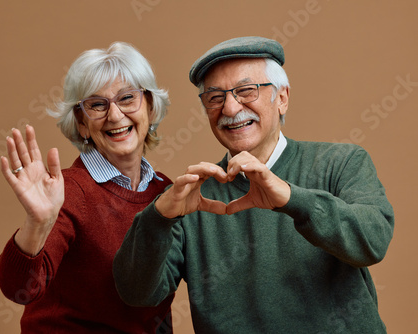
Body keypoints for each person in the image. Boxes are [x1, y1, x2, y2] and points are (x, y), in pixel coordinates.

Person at [113, 36, 394, 333]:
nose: (231, 109)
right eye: (215, 98)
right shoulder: (190, 198)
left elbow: (372, 242)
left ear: (282, 98)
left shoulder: (340, 162)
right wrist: (157, 218)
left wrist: (290, 198)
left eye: (246, 91)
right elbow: (138, 294)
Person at [0, 41, 175, 333]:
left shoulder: (165, 192)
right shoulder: (67, 192)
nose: (115, 116)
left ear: (150, 107)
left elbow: (158, 305)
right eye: (97, 105)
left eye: (127, 98)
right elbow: (19, 289)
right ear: (81, 123)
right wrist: (37, 223)